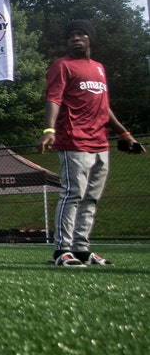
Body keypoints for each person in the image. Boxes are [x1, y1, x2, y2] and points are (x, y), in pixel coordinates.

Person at [37, 19, 146, 267]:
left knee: (91, 199)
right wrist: (49, 129)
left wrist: (124, 133)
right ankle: (62, 250)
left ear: (90, 39)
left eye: (80, 34)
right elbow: (53, 98)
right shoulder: (62, 65)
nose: (75, 38)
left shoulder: (98, 68)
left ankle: (82, 249)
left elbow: (104, 107)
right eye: (71, 35)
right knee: (72, 194)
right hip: (74, 140)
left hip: (100, 143)